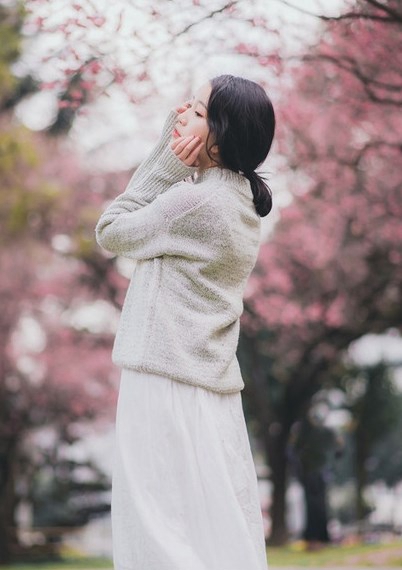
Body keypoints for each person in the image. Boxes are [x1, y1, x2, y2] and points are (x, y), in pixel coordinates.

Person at [95, 74, 275, 570]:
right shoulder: (238, 203)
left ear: (220, 134)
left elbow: (111, 231)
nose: (180, 116)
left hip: (163, 378)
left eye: (195, 111)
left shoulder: (194, 201)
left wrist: (163, 157)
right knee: (207, 522)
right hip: (203, 383)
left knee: (158, 524)